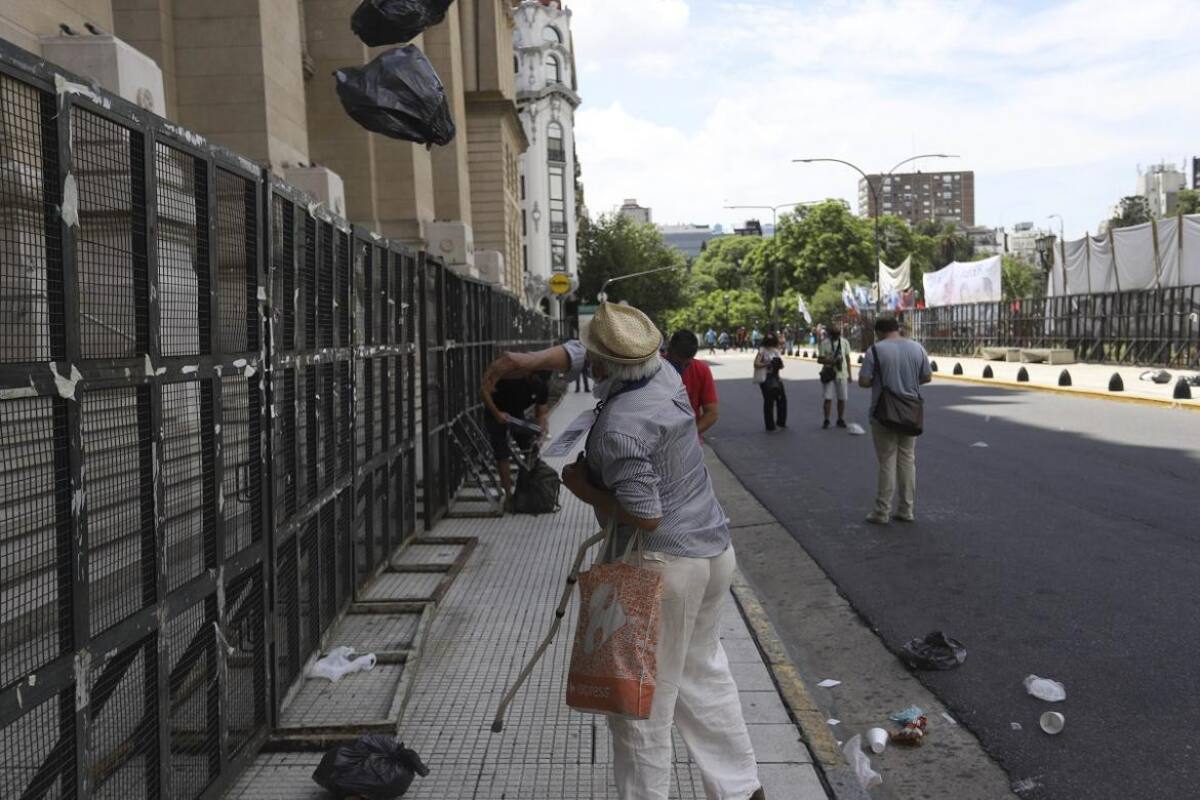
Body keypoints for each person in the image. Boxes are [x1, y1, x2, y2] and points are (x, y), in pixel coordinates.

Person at [483, 303, 764, 800]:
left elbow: (645, 513)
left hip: (663, 567)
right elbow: (582, 353)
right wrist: (530, 361)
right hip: (712, 552)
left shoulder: (621, 425)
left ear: (604, 365)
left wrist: (581, 487)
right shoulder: (666, 378)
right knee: (704, 677)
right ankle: (742, 791)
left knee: (639, 706)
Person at [858, 317, 932, 524]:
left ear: (879, 332)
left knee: (887, 461)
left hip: (884, 413)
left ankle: (882, 511)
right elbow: (927, 377)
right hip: (910, 412)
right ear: (897, 329)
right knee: (908, 459)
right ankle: (906, 509)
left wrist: (881, 382)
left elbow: (863, 381)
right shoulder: (917, 348)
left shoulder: (875, 350)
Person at [480, 372, 550, 509]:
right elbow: (483, 392)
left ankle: (529, 487)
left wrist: (540, 432)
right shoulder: (510, 375)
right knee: (502, 453)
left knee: (531, 447)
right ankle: (508, 495)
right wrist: (497, 413)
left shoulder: (542, 387)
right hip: (495, 412)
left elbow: (541, 413)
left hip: (516, 415)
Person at [666, 330, 719, 437]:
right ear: (669, 352)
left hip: (688, 442)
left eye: (687, 365)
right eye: (677, 363)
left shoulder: (701, 370)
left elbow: (712, 413)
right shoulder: (654, 369)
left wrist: (689, 435)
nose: (681, 369)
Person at [817, 324, 853, 429]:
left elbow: (848, 358)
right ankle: (826, 419)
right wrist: (832, 361)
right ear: (830, 334)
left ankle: (840, 419)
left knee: (841, 398)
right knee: (828, 398)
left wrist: (850, 375)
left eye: (838, 334)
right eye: (834, 334)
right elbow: (820, 359)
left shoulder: (844, 342)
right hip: (828, 373)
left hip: (842, 374)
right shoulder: (825, 343)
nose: (837, 336)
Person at [753, 333, 786, 431]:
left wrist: (778, 364)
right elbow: (756, 364)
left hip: (775, 376)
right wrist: (767, 363)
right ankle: (770, 425)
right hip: (765, 377)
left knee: (782, 400)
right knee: (769, 401)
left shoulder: (776, 351)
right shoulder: (762, 350)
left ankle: (781, 421)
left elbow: (781, 365)